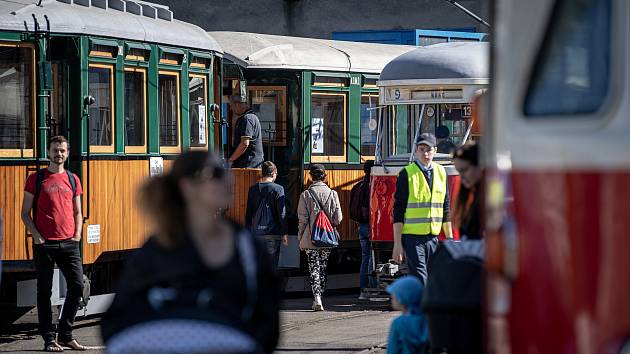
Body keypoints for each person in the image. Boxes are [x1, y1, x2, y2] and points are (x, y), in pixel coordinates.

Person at [100, 151, 280, 354]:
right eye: (216, 173)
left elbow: (269, 323)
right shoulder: (157, 249)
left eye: (226, 171)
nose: (228, 178)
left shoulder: (248, 246)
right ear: (187, 186)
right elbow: (117, 319)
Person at [20, 135, 86, 352]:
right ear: (49, 152)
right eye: (55, 150)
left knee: (77, 286)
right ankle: (49, 339)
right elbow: (25, 213)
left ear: (67, 154)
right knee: (44, 292)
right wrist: (37, 236)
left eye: (63, 151)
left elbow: (78, 211)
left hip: (69, 243)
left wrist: (77, 234)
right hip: (45, 244)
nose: (59, 154)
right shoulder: (36, 179)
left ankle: (66, 335)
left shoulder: (73, 179)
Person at [392, 133, 453, 285]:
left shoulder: (441, 172)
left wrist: (450, 239)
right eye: (421, 149)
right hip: (412, 238)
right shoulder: (406, 174)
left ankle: (425, 307)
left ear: (435, 150)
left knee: (433, 278)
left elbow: (445, 207)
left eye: (429, 149)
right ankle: (423, 307)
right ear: (416, 151)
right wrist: (397, 244)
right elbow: (398, 211)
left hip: (433, 236)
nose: (425, 153)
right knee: (421, 277)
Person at [297, 164, 342, 311]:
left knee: (313, 268)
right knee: (322, 267)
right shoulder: (333, 194)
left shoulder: (306, 195)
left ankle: (317, 298)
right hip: (327, 237)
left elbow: (302, 220)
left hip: (310, 237)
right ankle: (320, 295)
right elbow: (338, 218)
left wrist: (300, 237)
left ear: (311, 177)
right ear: (325, 176)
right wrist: (330, 224)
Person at [245, 161, 289, 270]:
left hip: (256, 234)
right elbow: (282, 213)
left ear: (262, 173)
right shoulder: (278, 189)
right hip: (273, 234)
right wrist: (284, 233)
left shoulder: (253, 189)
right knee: (271, 267)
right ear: (274, 173)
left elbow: (248, 213)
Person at [349, 160, 377, 299]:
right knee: (373, 257)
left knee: (365, 257)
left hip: (361, 226)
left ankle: (363, 290)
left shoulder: (357, 186)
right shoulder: (374, 186)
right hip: (372, 226)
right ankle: (373, 288)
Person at [386, 275, 429, 354]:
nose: (392, 297)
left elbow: (392, 350)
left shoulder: (398, 323)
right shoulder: (428, 320)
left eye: (394, 295)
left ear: (402, 298)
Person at [452, 142, 484, 240]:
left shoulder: (489, 202)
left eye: (465, 170)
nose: (461, 177)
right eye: (458, 172)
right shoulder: (470, 201)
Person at [228, 93, 264, 168]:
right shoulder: (250, 117)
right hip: (251, 164)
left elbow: (244, 144)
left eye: (231, 105)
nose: (231, 109)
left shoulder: (247, 118)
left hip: (249, 165)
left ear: (237, 104)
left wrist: (231, 160)